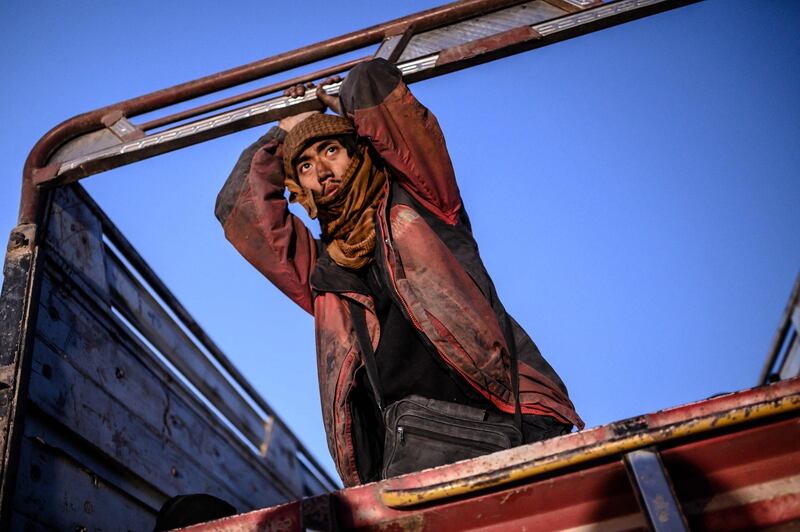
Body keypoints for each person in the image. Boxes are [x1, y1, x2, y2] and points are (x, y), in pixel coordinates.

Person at [215, 58, 583, 486]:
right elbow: (239, 209)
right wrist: (283, 135)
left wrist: (340, 104)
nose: (321, 170)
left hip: (509, 424)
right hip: (410, 460)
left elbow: (376, 89)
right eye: (306, 166)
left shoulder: (423, 204)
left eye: (331, 150)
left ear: (357, 150)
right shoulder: (321, 273)